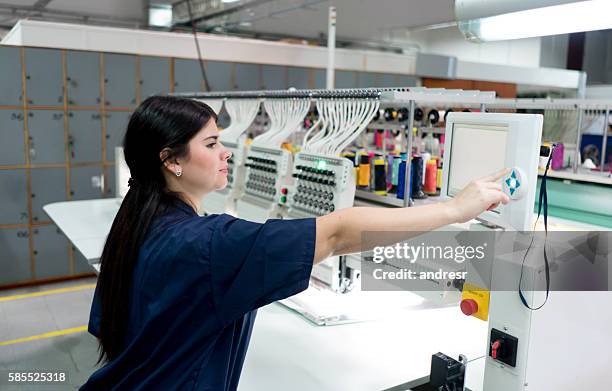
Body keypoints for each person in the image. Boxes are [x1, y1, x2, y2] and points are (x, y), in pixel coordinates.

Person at [81, 96, 509, 390]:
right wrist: (455, 210)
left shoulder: (137, 222)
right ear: (171, 160)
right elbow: (338, 232)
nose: (226, 152)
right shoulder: (208, 244)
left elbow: (111, 329)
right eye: (211, 144)